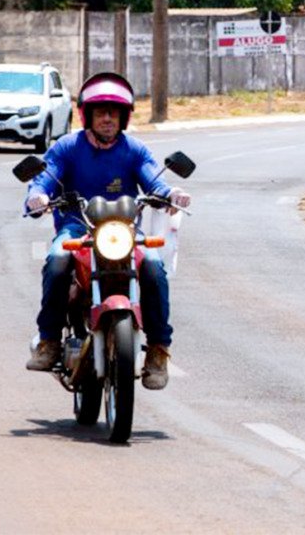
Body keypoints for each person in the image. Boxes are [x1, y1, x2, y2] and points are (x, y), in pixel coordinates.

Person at [23, 71, 190, 390]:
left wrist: (172, 195)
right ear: (88, 115)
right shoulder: (67, 147)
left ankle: (157, 350)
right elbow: (45, 177)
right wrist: (38, 196)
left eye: (114, 113)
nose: (108, 119)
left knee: (154, 267)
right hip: (78, 226)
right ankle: (49, 341)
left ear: (124, 117)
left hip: (123, 229)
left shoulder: (134, 149)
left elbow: (155, 180)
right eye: (101, 112)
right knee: (58, 259)